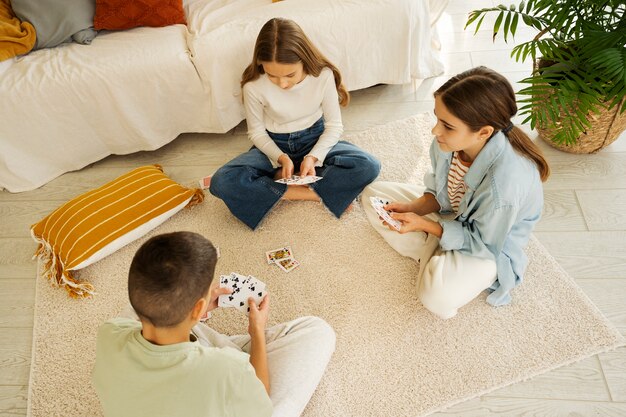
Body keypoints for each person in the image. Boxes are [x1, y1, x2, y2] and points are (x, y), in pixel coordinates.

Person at [363, 66, 550, 319]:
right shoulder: (448, 142)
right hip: (454, 215)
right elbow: (442, 192)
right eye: (437, 119)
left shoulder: (504, 187)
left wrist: (429, 227)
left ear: (483, 132)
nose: (435, 131)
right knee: (374, 194)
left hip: (488, 246)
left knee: (436, 298)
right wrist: (414, 209)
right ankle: (435, 251)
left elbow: (485, 244)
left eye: (447, 126)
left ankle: (433, 250)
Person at [92, 231, 335, 417]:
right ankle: (245, 345)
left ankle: (195, 326)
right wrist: (257, 331)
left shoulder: (110, 331)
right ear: (197, 307)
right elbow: (260, 398)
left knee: (148, 317)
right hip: (221, 377)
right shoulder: (226, 370)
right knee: (318, 331)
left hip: (174, 375)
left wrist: (196, 313)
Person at [209, 18, 380, 230]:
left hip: (315, 139)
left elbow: (334, 127)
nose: (282, 83)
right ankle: (311, 193)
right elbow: (257, 133)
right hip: (274, 145)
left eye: (290, 75)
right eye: (272, 75)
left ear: (304, 60)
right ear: (261, 65)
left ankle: (278, 185)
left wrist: (313, 157)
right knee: (222, 181)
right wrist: (280, 158)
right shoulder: (253, 86)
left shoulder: (322, 76)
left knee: (368, 165)